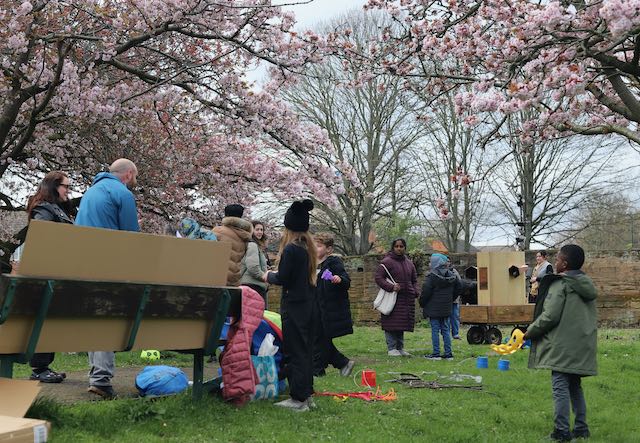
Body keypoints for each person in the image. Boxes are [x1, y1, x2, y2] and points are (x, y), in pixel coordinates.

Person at [75, 158, 139, 399]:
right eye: (135, 177)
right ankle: (101, 379)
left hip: (84, 265)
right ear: (129, 174)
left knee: (95, 318)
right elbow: (132, 238)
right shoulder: (122, 194)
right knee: (107, 319)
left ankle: (97, 375)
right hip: (109, 266)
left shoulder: (90, 192)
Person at [524, 245, 597, 442]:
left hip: (562, 346)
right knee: (575, 386)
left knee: (560, 387)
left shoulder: (561, 284)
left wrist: (529, 332)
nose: (555, 262)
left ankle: (562, 432)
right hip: (581, 344)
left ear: (564, 264)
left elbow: (550, 316)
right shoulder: (586, 284)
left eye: (557, 259)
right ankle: (581, 429)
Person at [263, 199, 316, 412]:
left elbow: (284, 277)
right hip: (308, 306)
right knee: (305, 350)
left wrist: (268, 275)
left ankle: (298, 399)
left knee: (295, 351)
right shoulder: (307, 248)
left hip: (294, 307)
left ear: (288, 227)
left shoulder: (292, 249)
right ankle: (307, 394)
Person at [24, 171, 74, 383]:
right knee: (44, 318)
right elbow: (43, 236)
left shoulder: (57, 209)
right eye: (65, 186)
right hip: (48, 272)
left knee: (50, 318)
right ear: (54, 186)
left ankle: (43, 366)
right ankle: (39, 368)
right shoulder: (44, 209)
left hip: (57, 270)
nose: (68, 191)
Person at [312, 232, 354, 377]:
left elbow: (346, 281)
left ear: (328, 249)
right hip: (315, 306)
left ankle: (318, 370)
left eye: (318, 246)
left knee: (320, 338)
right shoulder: (311, 263)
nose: (315, 248)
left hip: (329, 309)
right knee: (317, 337)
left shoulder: (333, 262)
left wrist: (339, 279)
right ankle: (342, 363)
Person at [374, 238, 418, 357]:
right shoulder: (387, 262)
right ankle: (391, 348)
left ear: (405, 248)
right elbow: (378, 278)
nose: (399, 248)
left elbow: (414, 280)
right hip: (392, 298)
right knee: (391, 323)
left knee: (401, 324)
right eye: (397, 246)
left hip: (406, 299)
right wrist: (391, 287)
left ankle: (400, 347)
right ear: (393, 248)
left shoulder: (409, 263)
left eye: (401, 246)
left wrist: (415, 291)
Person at [420, 253, 461, 360]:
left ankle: (436, 353)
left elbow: (426, 293)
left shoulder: (431, 277)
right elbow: (459, 287)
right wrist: (450, 299)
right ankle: (448, 354)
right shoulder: (452, 276)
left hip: (433, 309)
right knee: (446, 330)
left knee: (435, 330)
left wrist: (422, 303)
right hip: (446, 308)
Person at [213, 204, 253, 286]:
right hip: (235, 278)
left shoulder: (218, 231)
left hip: (219, 277)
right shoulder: (245, 235)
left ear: (226, 215)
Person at [240, 225, 269, 305]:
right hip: (253, 286)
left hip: (253, 285)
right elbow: (253, 267)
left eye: (261, 230)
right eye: (257, 229)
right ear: (251, 231)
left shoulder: (255, 246)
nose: (260, 232)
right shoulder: (252, 245)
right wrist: (266, 277)